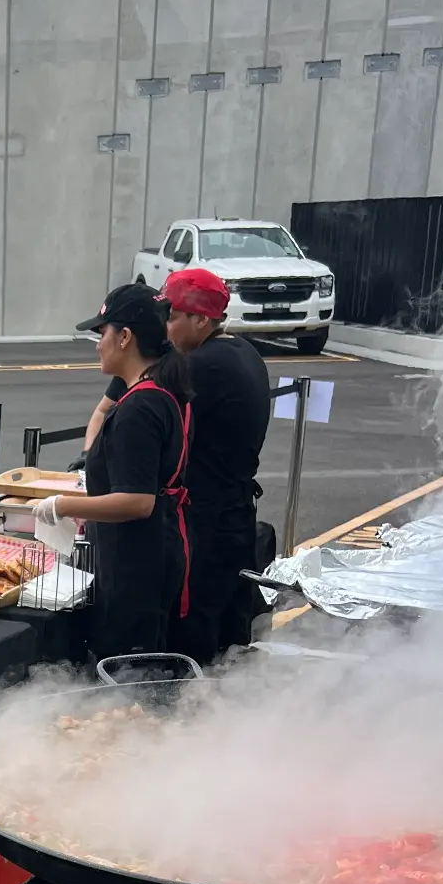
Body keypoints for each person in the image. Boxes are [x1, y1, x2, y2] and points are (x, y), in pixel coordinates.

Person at [33, 284, 191, 659]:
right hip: (152, 550)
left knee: (129, 668)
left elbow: (137, 501)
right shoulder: (155, 389)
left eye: (102, 333)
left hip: (137, 561)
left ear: (124, 337)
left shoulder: (141, 407)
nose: (97, 344)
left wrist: (63, 505)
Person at [162, 266, 272, 662]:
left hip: (207, 520)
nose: (165, 328)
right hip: (237, 510)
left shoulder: (200, 366)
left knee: (197, 631)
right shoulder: (244, 352)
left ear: (201, 319)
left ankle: (192, 695)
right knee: (232, 630)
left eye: (172, 317)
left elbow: (160, 431)